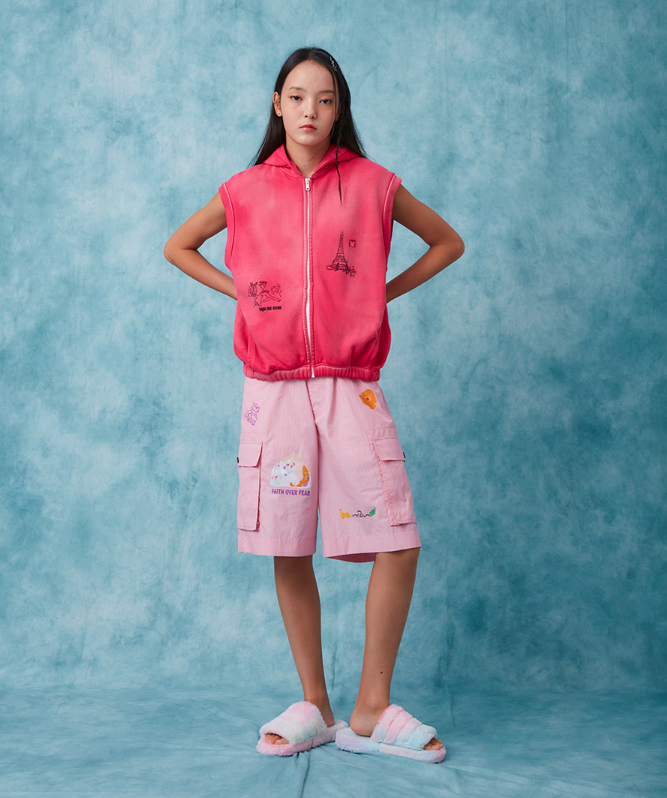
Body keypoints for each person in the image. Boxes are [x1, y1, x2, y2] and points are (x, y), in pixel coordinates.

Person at [164, 47, 464, 764]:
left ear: (339, 110)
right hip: (272, 390)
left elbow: (446, 242)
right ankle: (315, 706)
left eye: (324, 99)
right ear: (277, 105)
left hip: (350, 383)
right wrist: (241, 293)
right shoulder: (243, 190)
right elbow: (179, 246)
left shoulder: (372, 184)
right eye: (297, 97)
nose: (309, 111)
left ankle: (371, 708)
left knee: (397, 540)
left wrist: (378, 296)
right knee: (287, 543)